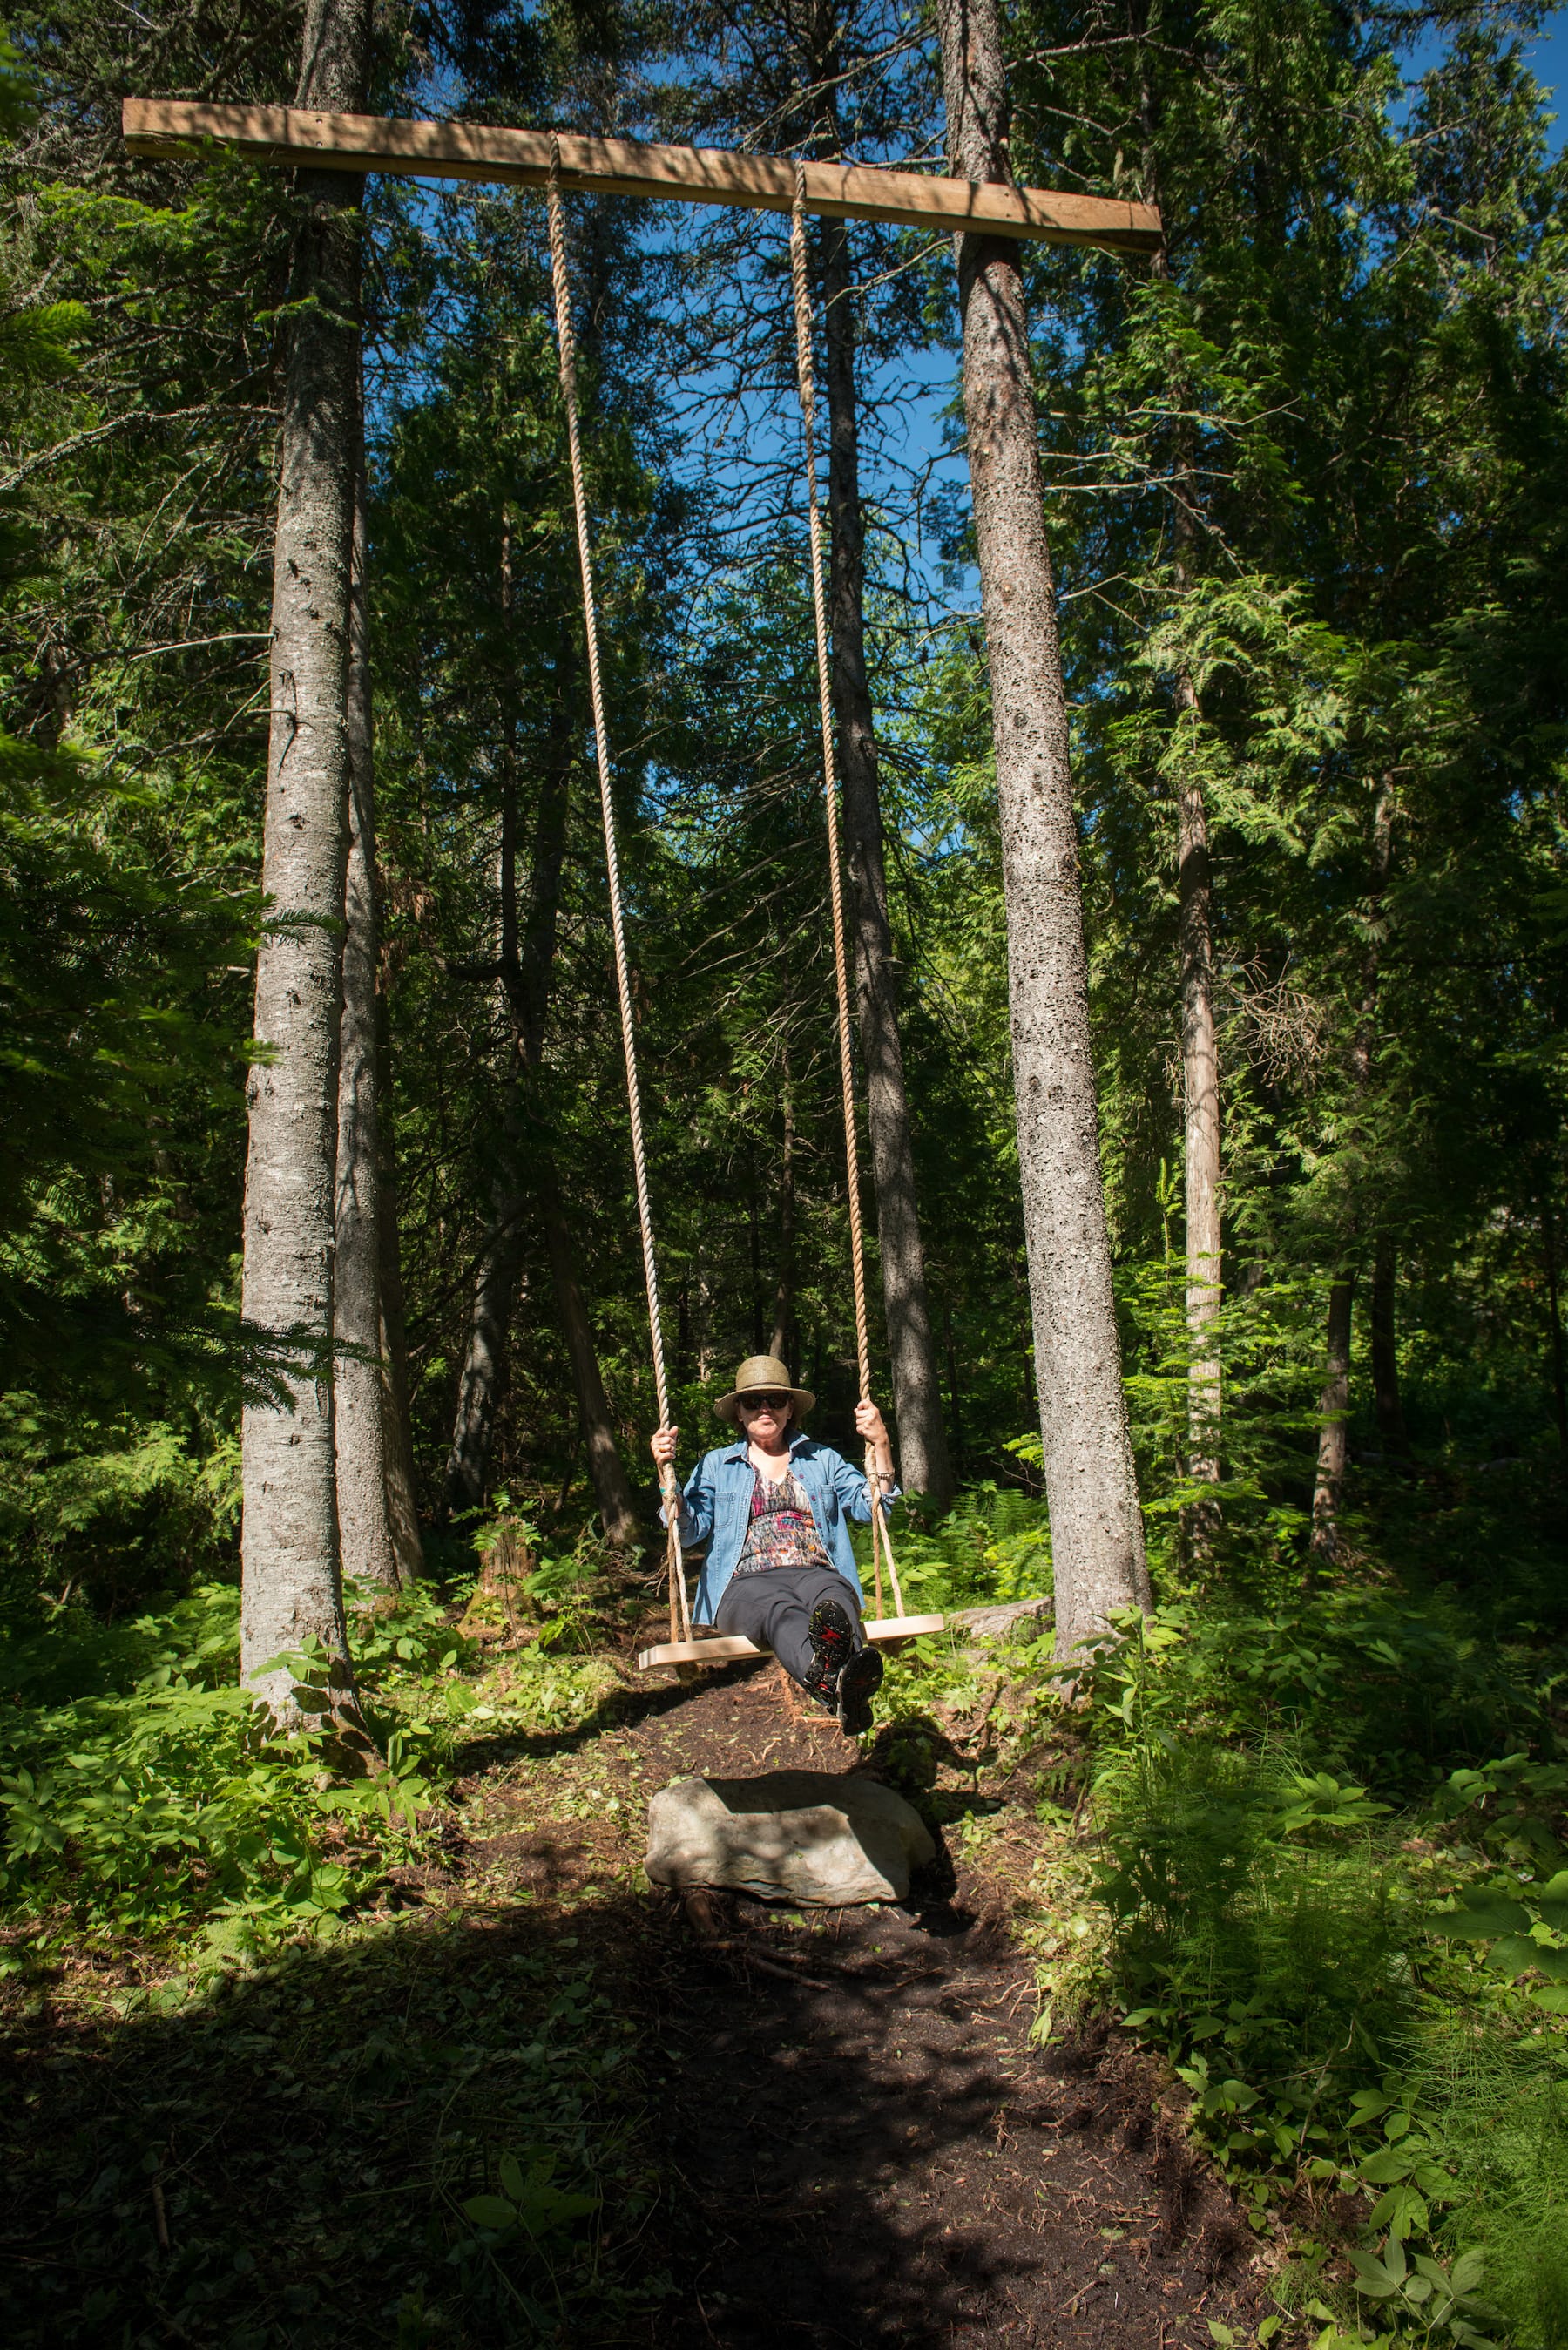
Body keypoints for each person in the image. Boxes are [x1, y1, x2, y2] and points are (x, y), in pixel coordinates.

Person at [651, 1352, 896, 1735]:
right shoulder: (717, 1465)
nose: (764, 1409)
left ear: (790, 1408)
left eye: (775, 1400)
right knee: (780, 1609)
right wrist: (669, 1484)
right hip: (746, 1583)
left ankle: (834, 1686)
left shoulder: (823, 1459)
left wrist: (881, 1444)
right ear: (739, 1412)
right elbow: (688, 1529)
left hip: (815, 1569)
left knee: (832, 1598)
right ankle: (843, 1683)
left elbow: (873, 1508)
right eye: (752, 1401)